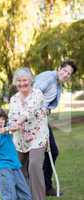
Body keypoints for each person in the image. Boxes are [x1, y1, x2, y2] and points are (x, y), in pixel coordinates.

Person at [33, 60, 77, 196]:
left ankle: (46, 186)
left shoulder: (58, 84)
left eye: (68, 74)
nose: (65, 75)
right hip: (33, 120)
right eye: (64, 71)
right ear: (59, 68)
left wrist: (45, 111)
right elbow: (34, 94)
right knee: (34, 154)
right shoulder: (49, 77)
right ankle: (34, 187)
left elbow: (48, 104)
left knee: (51, 151)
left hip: (42, 119)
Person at [8, 67, 49, 200]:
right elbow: (11, 117)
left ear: (30, 80)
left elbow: (30, 111)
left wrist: (18, 122)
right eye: (18, 81)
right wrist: (10, 126)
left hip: (37, 136)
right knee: (18, 169)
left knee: (34, 166)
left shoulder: (37, 94)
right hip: (19, 139)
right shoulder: (14, 99)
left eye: (24, 80)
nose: (22, 84)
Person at [0, 108, 31, 200]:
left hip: (16, 166)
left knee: (25, 195)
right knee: (9, 196)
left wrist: (7, 129)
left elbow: (16, 127)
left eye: (2, 119)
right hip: (5, 168)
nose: (1, 121)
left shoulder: (6, 130)